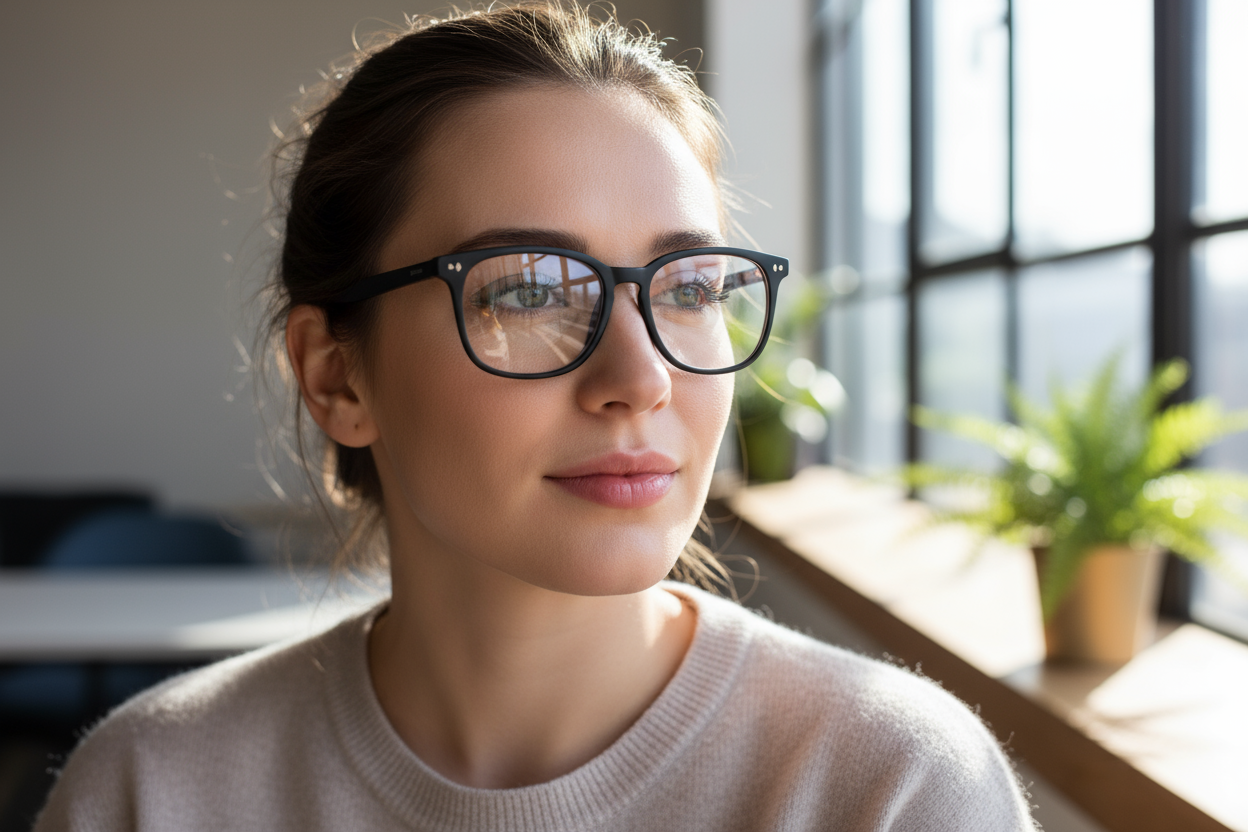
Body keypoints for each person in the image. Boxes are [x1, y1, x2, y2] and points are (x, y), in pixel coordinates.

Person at [35, 4, 1036, 830]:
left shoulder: (890, 789)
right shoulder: (149, 792)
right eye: (526, 290)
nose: (640, 377)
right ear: (338, 375)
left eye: (687, 286)